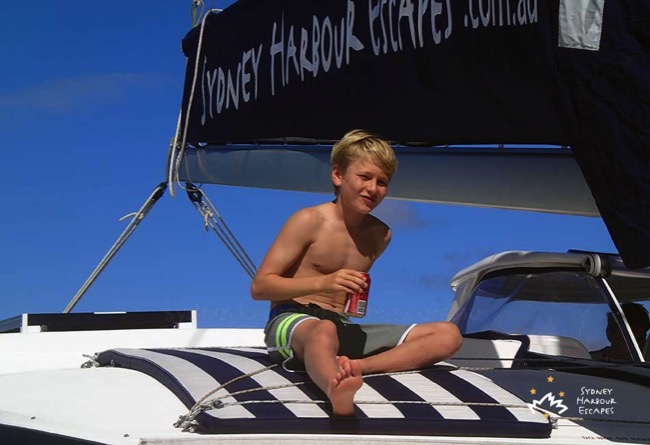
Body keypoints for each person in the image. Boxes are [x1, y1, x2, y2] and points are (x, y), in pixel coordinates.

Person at [250, 129, 463, 416]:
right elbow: (260, 288)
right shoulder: (308, 220)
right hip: (292, 323)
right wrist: (324, 282)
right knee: (323, 330)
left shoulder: (380, 235)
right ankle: (335, 390)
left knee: (448, 334)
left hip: (342, 328)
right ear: (338, 176)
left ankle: (357, 368)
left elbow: (348, 299)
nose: (373, 189)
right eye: (364, 177)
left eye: (382, 182)